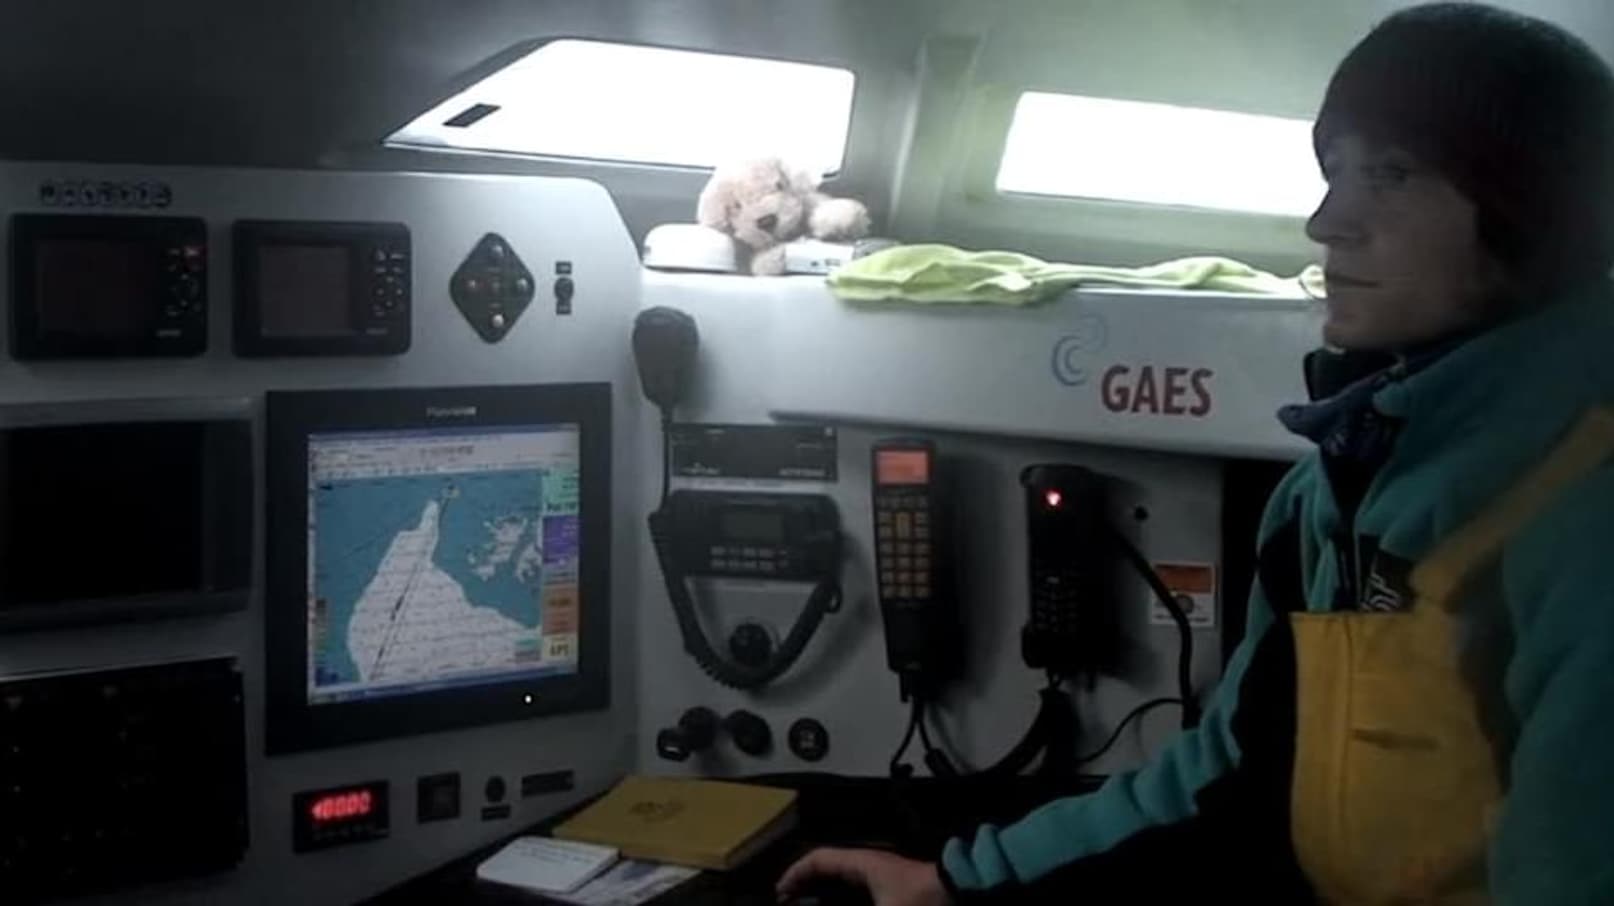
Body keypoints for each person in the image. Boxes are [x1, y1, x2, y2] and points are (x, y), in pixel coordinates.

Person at [778, 3, 1614, 904]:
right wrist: (953, 881)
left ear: (1539, 207)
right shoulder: (1329, 491)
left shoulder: (1583, 508)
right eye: (1334, 172)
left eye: (1393, 173)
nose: (1327, 221)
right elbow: (1224, 767)